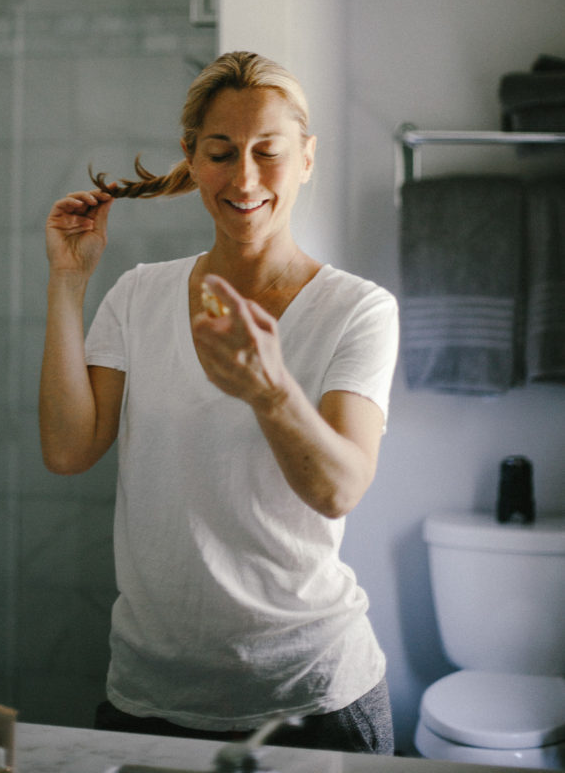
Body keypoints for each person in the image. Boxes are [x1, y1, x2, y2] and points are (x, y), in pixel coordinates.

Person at [39, 51, 399, 754]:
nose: (244, 178)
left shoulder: (357, 310)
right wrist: (66, 283)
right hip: (149, 692)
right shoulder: (139, 294)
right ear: (192, 159)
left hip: (309, 696)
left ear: (305, 158)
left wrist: (267, 388)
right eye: (221, 152)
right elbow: (67, 449)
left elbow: (339, 489)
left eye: (268, 152)